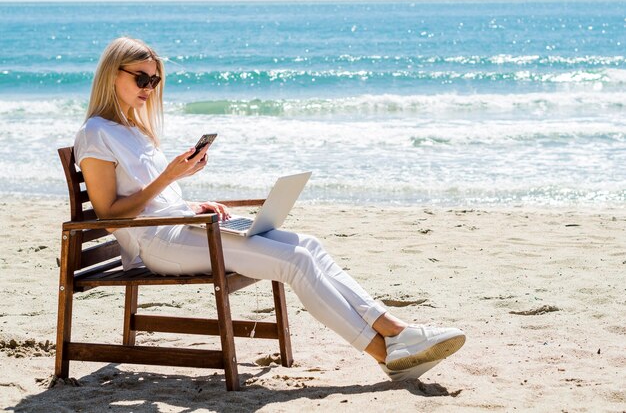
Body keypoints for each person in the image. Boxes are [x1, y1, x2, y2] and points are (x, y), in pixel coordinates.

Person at [74, 37, 466, 382]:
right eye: (141, 79)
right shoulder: (96, 133)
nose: (149, 87)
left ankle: (397, 331)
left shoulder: (135, 129)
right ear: (113, 75)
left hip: (183, 226)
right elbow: (109, 215)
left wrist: (191, 201)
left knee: (307, 245)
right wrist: (168, 178)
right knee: (292, 262)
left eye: (154, 80)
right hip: (159, 244)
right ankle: (385, 353)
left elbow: (151, 199)